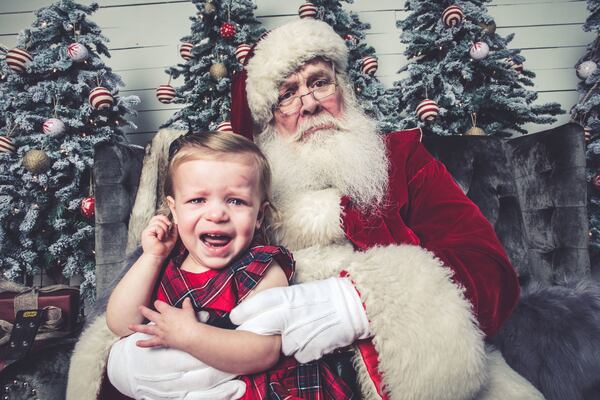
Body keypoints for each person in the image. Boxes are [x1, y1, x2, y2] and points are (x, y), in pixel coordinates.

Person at [68, 19, 545, 400]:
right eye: (288, 94)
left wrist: (360, 302)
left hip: (396, 366)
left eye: (320, 83)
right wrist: (120, 363)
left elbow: (491, 271)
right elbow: (155, 290)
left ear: (344, 90)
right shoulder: (240, 188)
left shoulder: (402, 160)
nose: (309, 104)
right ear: (267, 119)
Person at [104, 130, 355, 399]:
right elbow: (121, 323)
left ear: (259, 215)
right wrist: (151, 257)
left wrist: (191, 336)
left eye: (235, 201)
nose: (216, 214)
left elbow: (264, 351)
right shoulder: (165, 261)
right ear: (174, 210)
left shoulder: (262, 267)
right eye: (197, 200)